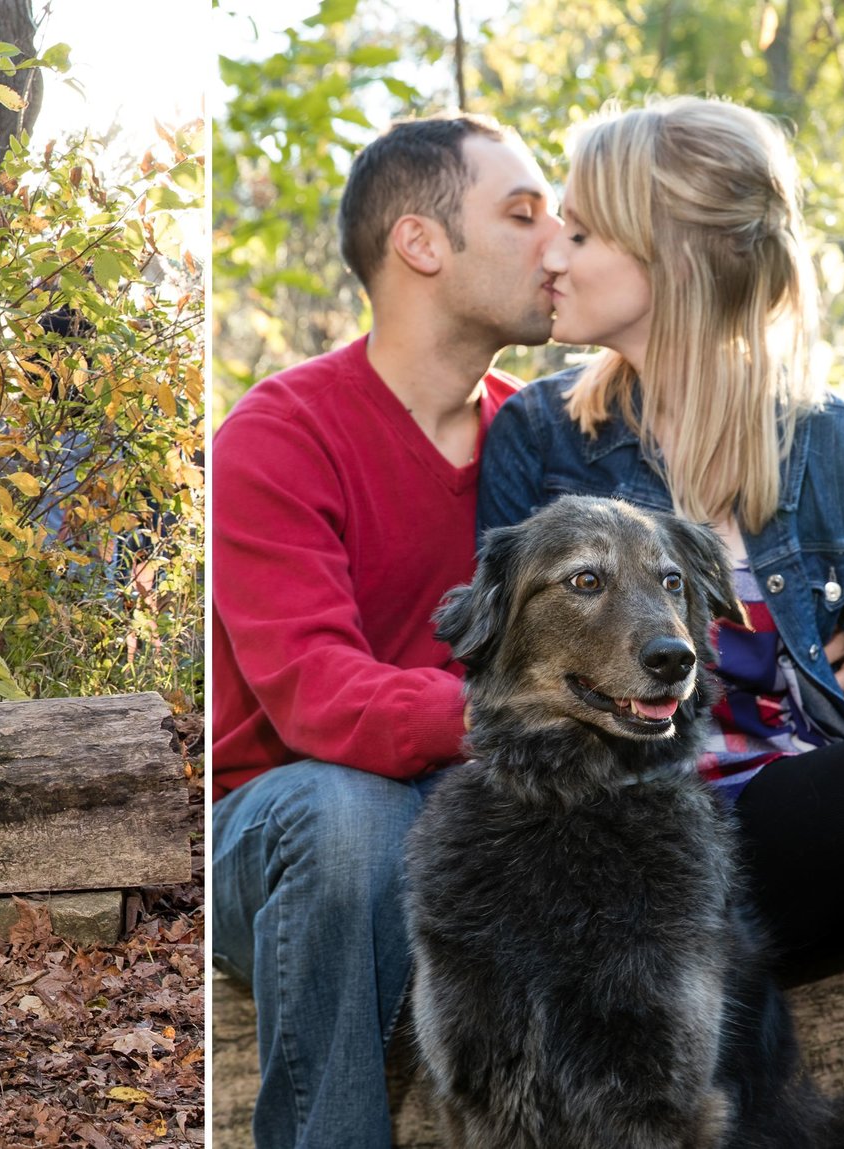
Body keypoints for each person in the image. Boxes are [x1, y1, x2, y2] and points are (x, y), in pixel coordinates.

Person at [481, 96, 844, 1144]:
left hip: (786, 840)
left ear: (670, 257)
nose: (552, 259)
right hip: (627, 839)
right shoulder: (541, 440)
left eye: (580, 231)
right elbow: (512, 678)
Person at [207, 112, 559, 1149]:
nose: (557, 241)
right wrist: (520, 714)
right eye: (522, 212)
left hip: (473, 817)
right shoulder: (280, 435)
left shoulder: (539, 442)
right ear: (421, 243)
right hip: (283, 837)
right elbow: (316, 694)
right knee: (348, 814)